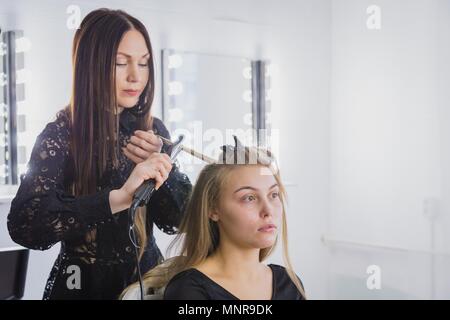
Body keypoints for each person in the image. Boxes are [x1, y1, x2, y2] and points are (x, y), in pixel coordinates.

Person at [7, 8, 192, 300]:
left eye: (144, 64)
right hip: (79, 287)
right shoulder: (60, 135)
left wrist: (165, 173)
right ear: (91, 65)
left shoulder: (152, 130)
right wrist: (119, 198)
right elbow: (26, 226)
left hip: (146, 287)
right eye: (121, 63)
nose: (135, 76)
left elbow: (179, 220)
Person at [121, 140, 306, 300]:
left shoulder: (288, 283)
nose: (268, 211)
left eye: (273, 195)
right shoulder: (189, 290)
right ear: (213, 210)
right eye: (249, 198)